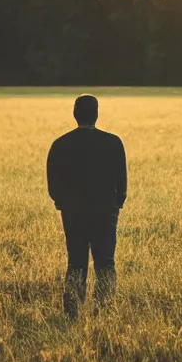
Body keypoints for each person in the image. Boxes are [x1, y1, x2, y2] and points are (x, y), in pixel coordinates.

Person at [47, 95, 127, 320]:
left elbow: (53, 183)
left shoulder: (60, 144)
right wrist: (116, 205)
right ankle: (105, 311)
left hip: (73, 213)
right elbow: (122, 182)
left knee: (76, 262)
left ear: (75, 114)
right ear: (97, 114)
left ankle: (72, 313)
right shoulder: (113, 142)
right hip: (105, 212)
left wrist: (62, 203)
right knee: (105, 263)